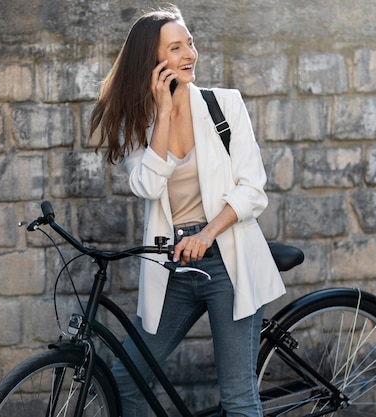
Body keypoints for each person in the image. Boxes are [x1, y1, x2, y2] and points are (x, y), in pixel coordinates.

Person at [89, 5, 285, 417]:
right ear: (153, 61)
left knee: (238, 398)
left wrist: (206, 234)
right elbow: (146, 186)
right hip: (172, 266)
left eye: (190, 43)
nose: (189, 54)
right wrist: (162, 113)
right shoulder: (136, 122)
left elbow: (253, 190)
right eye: (176, 48)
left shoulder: (224, 105)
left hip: (227, 260)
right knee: (127, 382)